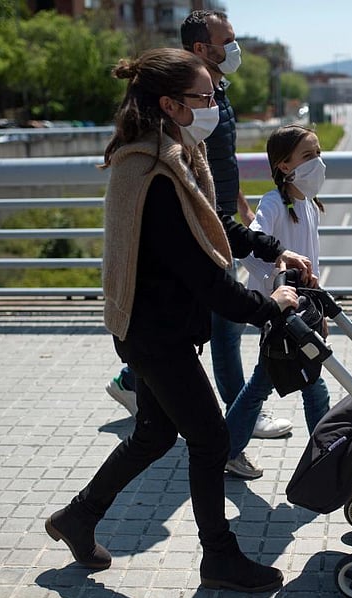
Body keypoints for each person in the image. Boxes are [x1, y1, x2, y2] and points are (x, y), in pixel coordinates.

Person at [45, 48, 311, 592]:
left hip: (155, 327)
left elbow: (211, 228)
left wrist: (270, 249)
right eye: (205, 96)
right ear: (170, 103)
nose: (214, 104)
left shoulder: (175, 153)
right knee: (211, 441)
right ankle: (219, 558)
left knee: (153, 435)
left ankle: (77, 518)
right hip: (153, 333)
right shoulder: (155, 172)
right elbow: (206, 278)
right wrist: (270, 307)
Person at [104, 9, 292, 440]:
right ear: (200, 49)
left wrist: (244, 213)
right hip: (196, 244)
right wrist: (269, 307)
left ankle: (136, 383)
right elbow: (185, 188)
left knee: (153, 437)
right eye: (228, 40)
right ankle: (239, 414)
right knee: (223, 329)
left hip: (215, 221)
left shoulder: (207, 103)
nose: (235, 48)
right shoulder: (166, 149)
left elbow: (217, 165)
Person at [224, 125, 332, 479]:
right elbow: (250, 250)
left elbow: (311, 261)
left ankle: (225, 450)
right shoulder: (273, 203)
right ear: (284, 165)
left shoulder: (308, 204)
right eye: (308, 156)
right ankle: (326, 460)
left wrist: (319, 311)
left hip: (302, 315)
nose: (317, 162)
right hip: (282, 316)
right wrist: (277, 282)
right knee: (312, 387)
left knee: (264, 384)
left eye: (318, 153)